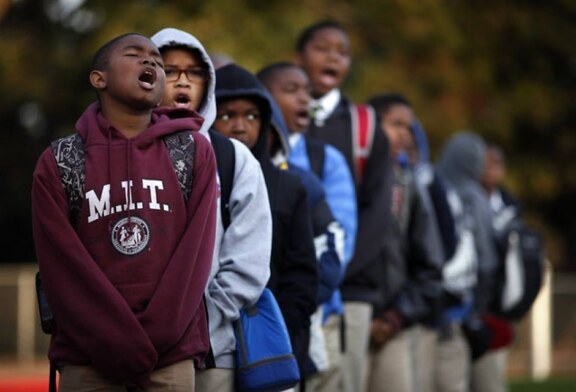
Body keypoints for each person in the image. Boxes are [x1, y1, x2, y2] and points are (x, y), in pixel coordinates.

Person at [31, 33, 218, 391]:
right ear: (99, 78)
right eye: (135, 55)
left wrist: (154, 338)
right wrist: (116, 342)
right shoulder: (59, 160)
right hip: (88, 359)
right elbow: (62, 269)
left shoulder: (192, 150)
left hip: (169, 357)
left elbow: (194, 259)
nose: (151, 63)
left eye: (156, 60)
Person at [150, 28, 273, 392]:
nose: (183, 81)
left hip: (211, 351)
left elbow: (250, 257)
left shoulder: (233, 157)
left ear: (209, 81)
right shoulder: (119, 154)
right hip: (131, 347)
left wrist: (208, 318)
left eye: (195, 72)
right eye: (170, 70)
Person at [294, 20, 392, 392]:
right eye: (323, 48)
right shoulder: (272, 114)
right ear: (298, 57)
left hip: (348, 290)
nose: (333, 57)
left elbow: (377, 212)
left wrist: (334, 273)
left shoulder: (365, 127)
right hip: (284, 288)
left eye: (343, 51)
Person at [213, 62, 319, 388]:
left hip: (269, 346)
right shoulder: (187, 177)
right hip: (208, 344)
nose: (241, 126)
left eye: (252, 116)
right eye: (227, 115)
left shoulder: (288, 186)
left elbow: (301, 275)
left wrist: (279, 329)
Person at [257, 61, 358, 391]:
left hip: (320, 313)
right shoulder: (234, 163)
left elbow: (341, 238)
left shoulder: (324, 160)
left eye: (308, 92)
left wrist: (300, 303)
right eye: (291, 91)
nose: (305, 100)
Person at [365, 93, 443, 392]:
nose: (405, 135)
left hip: (392, 326)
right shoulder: (346, 176)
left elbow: (430, 264)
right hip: (348, 318)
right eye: (395, 124)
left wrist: (396, 316)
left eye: (409, 127)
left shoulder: (409, 185)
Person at [436, 131, 502, 391]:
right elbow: (486, 260)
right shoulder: (473, 196)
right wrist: (481, 308)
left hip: (437, 307)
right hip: (464, 310)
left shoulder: (434, 186)